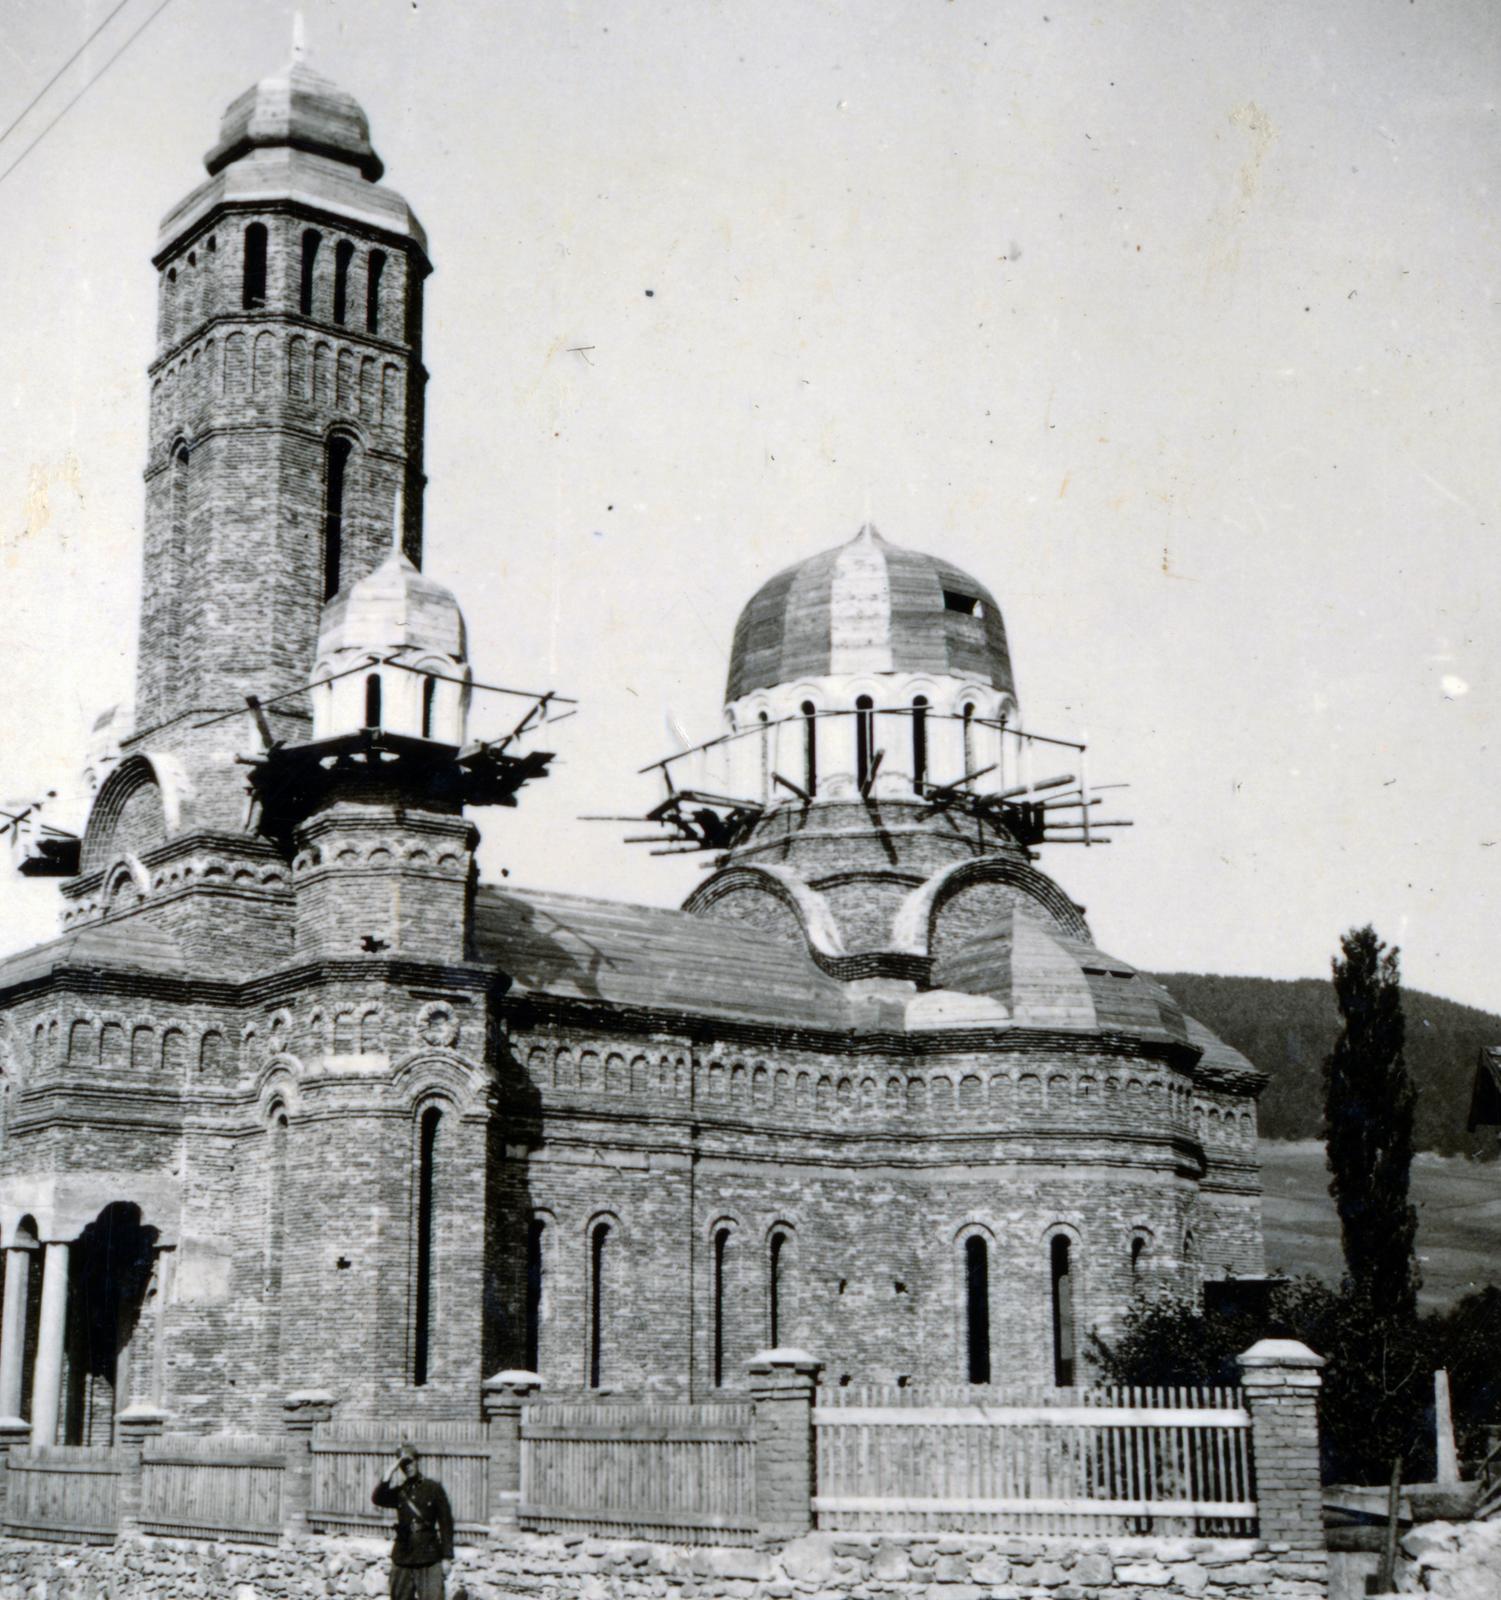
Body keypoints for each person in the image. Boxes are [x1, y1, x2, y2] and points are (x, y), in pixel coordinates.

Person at [371, 1440, 455, 1600]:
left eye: (410, 1462)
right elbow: (378, 1498)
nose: (407, 1467)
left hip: (429, 1556)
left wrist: (447, 1557)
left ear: (417, 1461)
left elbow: (446, 1524)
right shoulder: (400, 1492)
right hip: (403, 1555)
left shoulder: (433, 1488)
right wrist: (389, 1472)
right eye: (403, 1464)